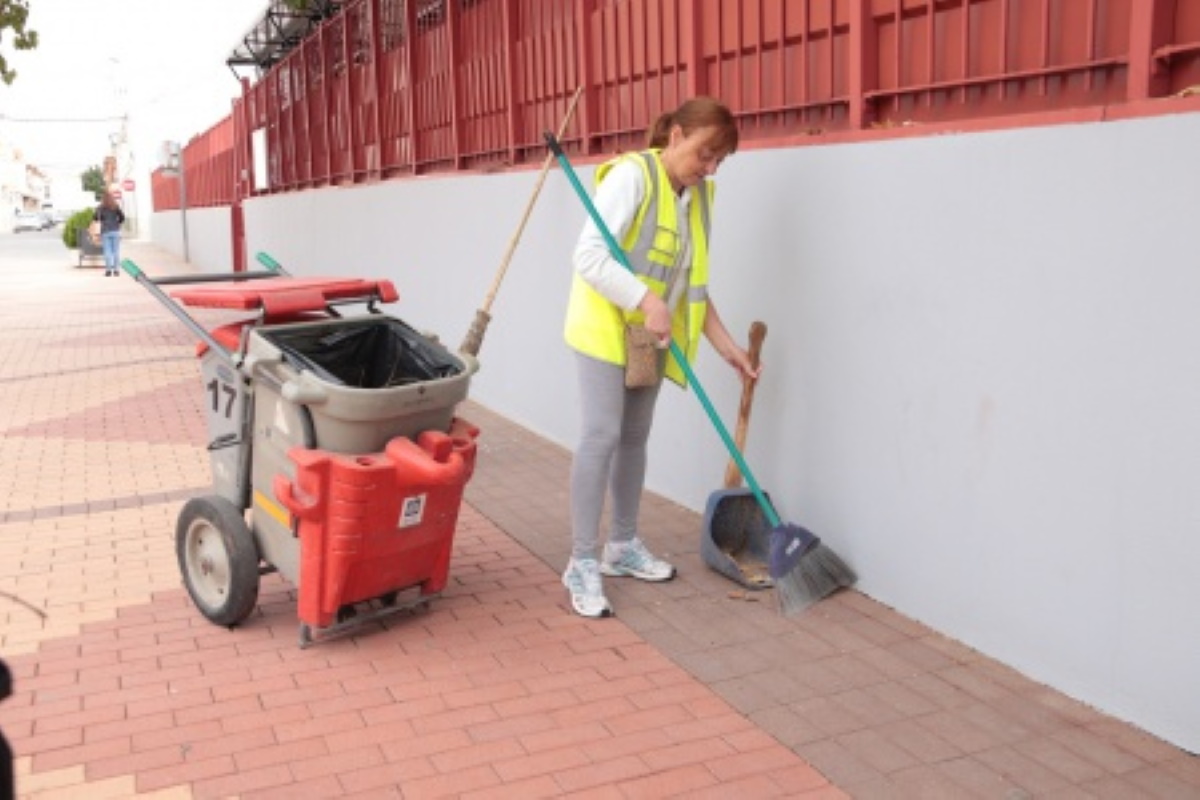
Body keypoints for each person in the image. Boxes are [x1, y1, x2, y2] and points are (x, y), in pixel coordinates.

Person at [561, 96, 762, 618]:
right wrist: (646, 302)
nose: (710, 168)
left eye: (720, 161)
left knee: (632, 439)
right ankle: (582, 561)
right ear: (675, 135)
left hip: (648, 333)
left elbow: (690, 286)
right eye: (704, 154)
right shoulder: (633, 177)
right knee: (601, 434)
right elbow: (588, 255)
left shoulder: (694, 198)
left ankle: (621, 547)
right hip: (607, 326)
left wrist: (728, 349)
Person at [92, 191, 126, 277]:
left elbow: (95, 218)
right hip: (115, 230)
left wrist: (102, 220)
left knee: (107, 251)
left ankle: (108, 270)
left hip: (105, 231)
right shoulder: (115, 206)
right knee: (116, 251)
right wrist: (117, 223)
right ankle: (116, 270)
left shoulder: (100, 208)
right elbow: (122, 217)